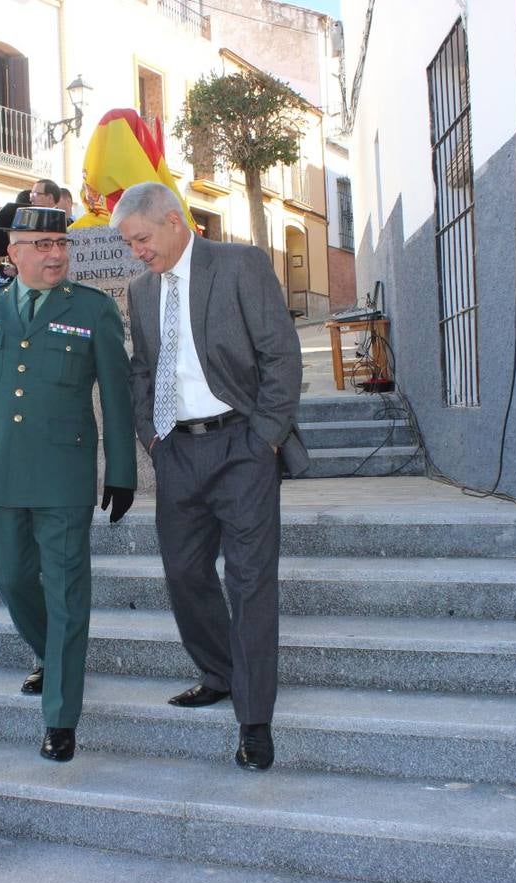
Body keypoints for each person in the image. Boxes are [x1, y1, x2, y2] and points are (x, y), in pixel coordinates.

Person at [114, 181, 308, 772]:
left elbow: (281, 355)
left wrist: (265, 438)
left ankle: (254, 721)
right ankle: (219, 673)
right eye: (129, 244)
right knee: (184, 572)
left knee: (249, 583)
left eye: (142, 239)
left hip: (242, 447)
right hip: (179, 451)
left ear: (175, 221)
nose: (137, 252)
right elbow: (142, 369)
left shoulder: (240, 265)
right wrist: (153, 437)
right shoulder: (141, 291)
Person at [0, 207, 137, 763]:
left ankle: (60, 716)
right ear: (13, 253)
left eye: (61, 243)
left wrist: (121, 472)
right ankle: (53, 652)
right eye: (41, 244)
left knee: (67, 592)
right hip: (0, 469)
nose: (56, 254)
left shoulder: (92, 310)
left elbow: (117, 400)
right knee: (9, 575)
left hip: (64, 474)